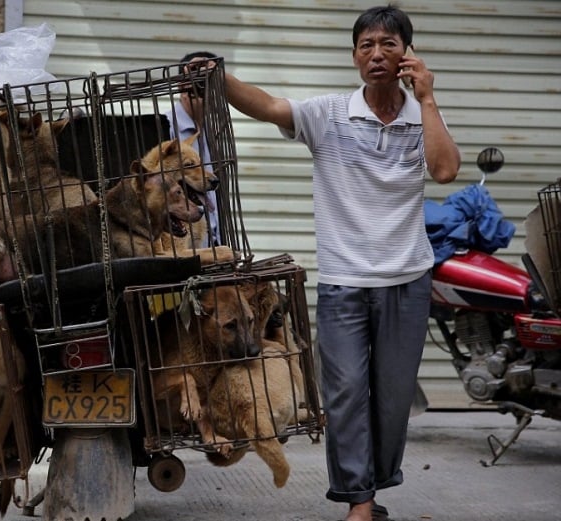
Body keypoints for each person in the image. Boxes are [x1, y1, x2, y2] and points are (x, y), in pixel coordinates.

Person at [216, 5, 460, 521]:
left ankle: (372, 485)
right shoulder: (328, 115)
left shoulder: (424, 117)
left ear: (407, 55)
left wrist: (428, 97)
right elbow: (267, 106)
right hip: (345, 283)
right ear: (354, 56)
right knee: (346, 392)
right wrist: (218, 75)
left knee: (392, 400)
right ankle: (360, 503)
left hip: (408, 281)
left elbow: (443, 171)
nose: (377, 55)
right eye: (367, 45)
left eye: (389, 45)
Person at [165, 51, 221, 246]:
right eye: (199, 80)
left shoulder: (217, 131)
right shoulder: (165, 127)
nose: (205, 89)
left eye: (211, 81)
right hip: (184, 247)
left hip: (215, 244)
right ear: (182, 85)